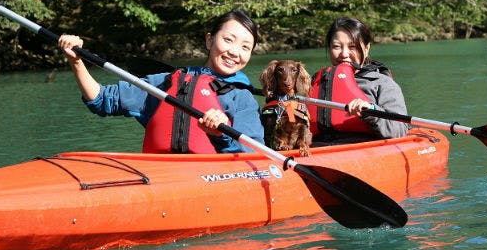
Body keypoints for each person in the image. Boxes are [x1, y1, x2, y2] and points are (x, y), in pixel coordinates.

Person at [58, 9, 264, 154]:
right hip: (162, 176)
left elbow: (257, 159)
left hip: (214, 184)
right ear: (209, 40)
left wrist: (222, 134)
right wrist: (76, 61)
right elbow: (102, 99)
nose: (235, 52)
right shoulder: (166, 82)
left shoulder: (242, 98)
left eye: (245, 47)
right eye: (228, 40)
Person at [308, 16, 409, 143]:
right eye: (337, 46)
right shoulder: (317, 81)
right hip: (318, 150)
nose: (344, 54)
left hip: (363, 150)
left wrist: (371, 110)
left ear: (366, 49)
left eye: (352, 47)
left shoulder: (382, 84)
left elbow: (399, 130)